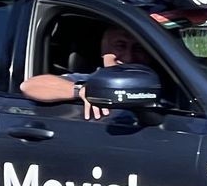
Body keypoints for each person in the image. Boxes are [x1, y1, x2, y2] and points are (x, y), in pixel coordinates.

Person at [21, 24, 151, 119]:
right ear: (104, 51)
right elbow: (29, 86)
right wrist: (83, 90)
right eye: (120, 45)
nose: (129, 57)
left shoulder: (159, 83)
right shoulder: (88, 80)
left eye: (138, 48)